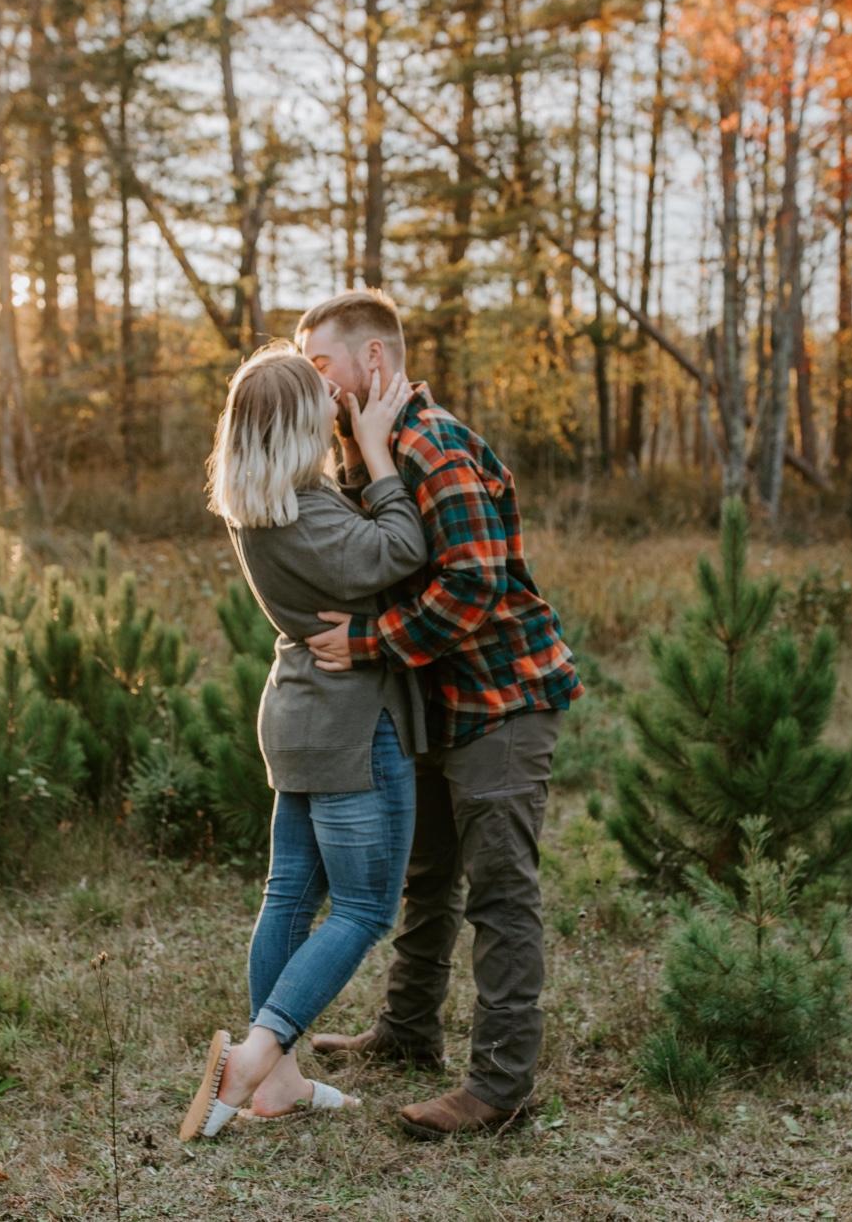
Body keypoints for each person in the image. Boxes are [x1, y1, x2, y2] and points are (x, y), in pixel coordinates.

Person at [297, 288, 584, 1140]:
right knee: (427, 875)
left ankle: (499, 1088)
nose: (314, 386)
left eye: (321, 366)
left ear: (373, 360)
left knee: (500, 892)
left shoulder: (432, 443)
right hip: (439, 702)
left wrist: (368, 642)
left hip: (502, 698)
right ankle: (408, 1030)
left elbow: (474, 583)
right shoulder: (375, 447)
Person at [179, 342, 428, 1142]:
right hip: (349, 725)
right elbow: (401, 549)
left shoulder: (265, 503)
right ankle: (254, 1056)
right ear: (294, 421)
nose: (336, 399)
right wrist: (380, 452)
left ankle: (279, 1084)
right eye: (320, 392)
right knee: (361, 907)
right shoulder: (306, 513)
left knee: (289, 894)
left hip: (298, 715)